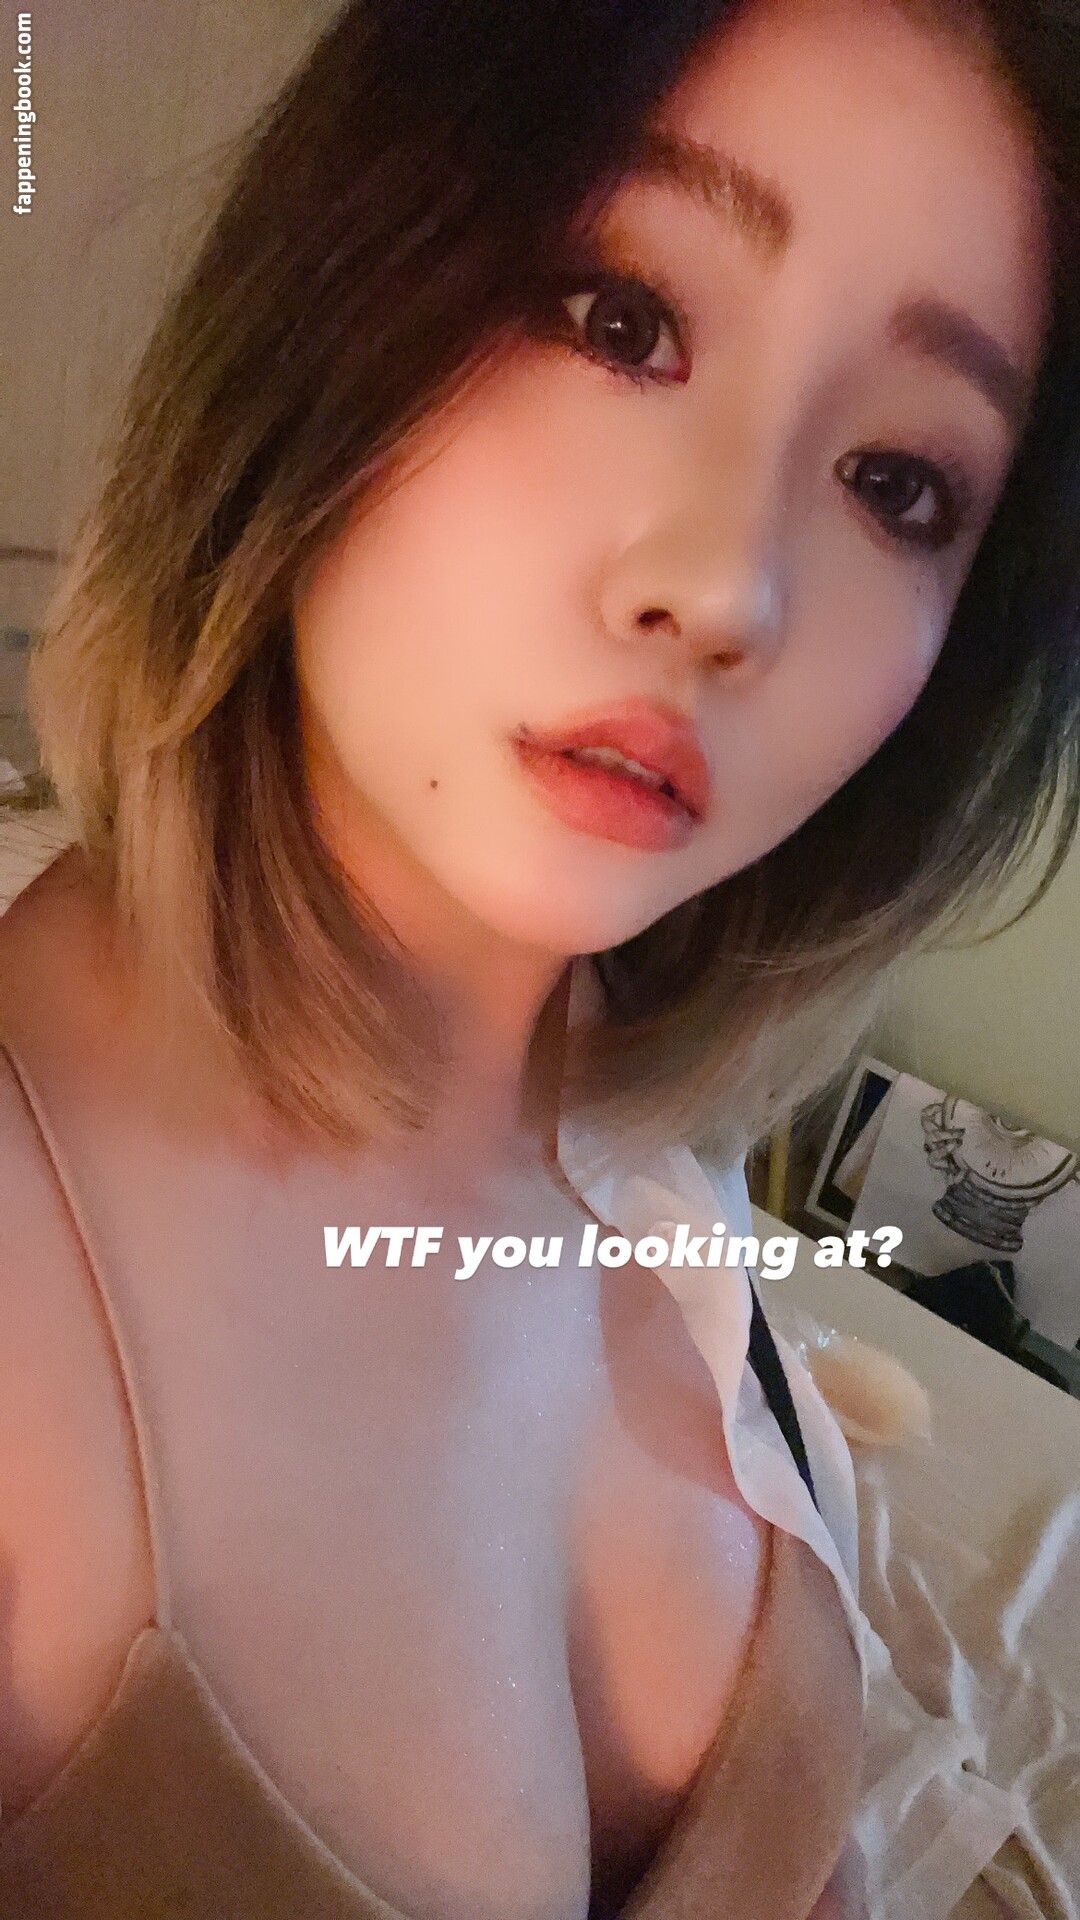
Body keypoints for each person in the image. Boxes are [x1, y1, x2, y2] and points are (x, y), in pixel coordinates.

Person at [0, 0, 1077, 1914]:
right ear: (332, 293)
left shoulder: (656, 1148)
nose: (729, 589)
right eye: (621, 321)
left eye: (898, 482)